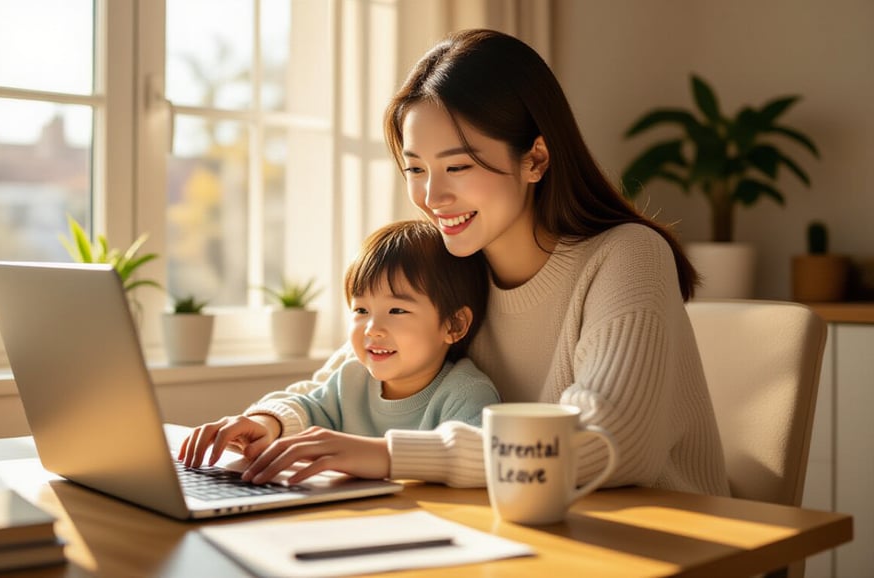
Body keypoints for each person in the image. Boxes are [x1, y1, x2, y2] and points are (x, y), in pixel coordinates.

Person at [182, 28, 730, 496]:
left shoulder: (626, 256)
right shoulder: (453, 263)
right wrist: (267, 421)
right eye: (415, 169)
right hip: (525, 536)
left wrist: (388, 456)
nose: (431, 197)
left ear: (535, 158)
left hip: (664, 543)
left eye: (459, 167)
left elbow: (609, 441)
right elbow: (339, 378)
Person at [180, 219, 500, 482]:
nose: (372, 328)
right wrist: (267, 423)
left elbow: (488, 452)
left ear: (454, 325)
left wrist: (379, 455)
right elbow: (306, 405)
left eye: (397, 311)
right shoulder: (352, 378)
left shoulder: (464, 391)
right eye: (361, 310)